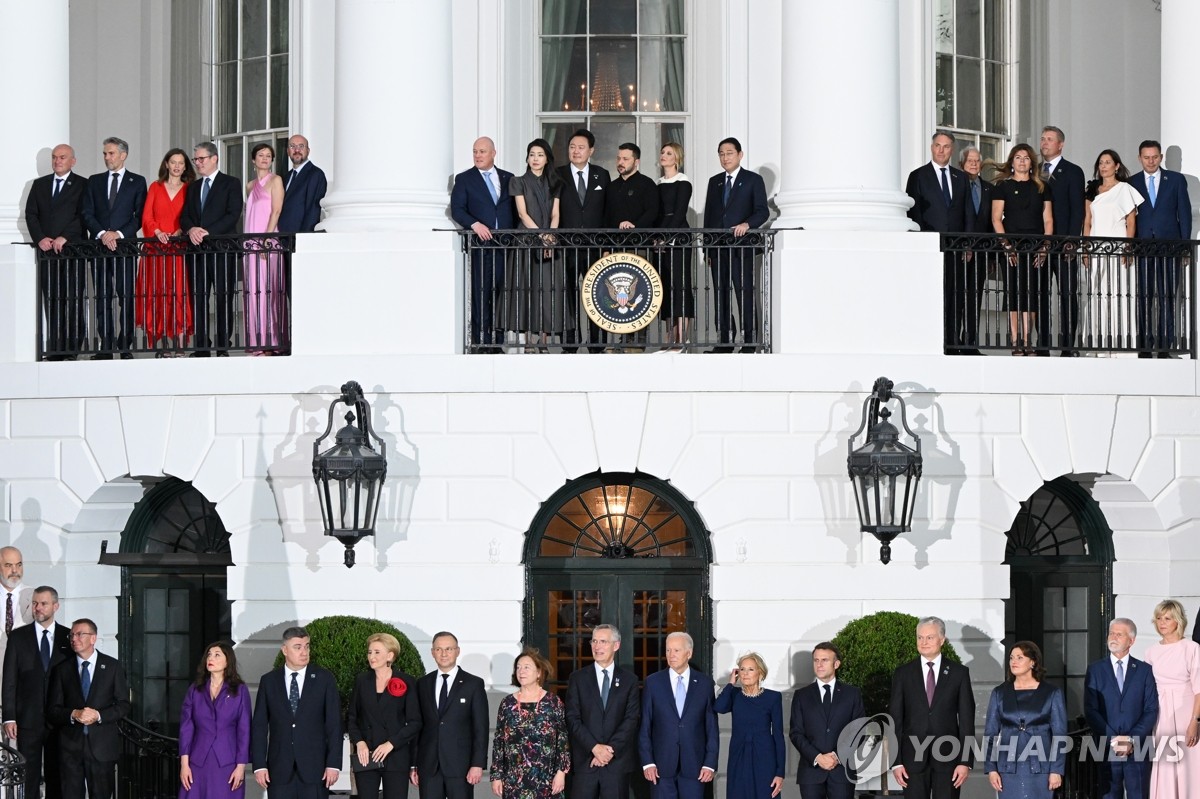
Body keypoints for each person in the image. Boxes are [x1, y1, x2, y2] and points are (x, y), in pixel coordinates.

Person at [888, 616, 975, 799]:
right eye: (920, 637)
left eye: (930, 637)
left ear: (942, 640)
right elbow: (895, 719)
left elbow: (967, 719)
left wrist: (965, 761)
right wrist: (896, 762)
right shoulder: (903, 674)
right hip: (912, 760)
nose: (924, 642)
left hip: (949, 758)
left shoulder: (959, 673)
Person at [251, 626, 342, 799]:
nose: (304, 652)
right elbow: (260, 726)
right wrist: (259, 765)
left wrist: (333, 764)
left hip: (316, 770)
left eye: (307, 646)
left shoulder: (324, 678)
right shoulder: (269, 681)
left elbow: (334, 724)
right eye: (297, 647)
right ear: (285, 650)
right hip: (279, 771)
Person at [46, 618, 131, 799]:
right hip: (70, 748)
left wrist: (99, 715)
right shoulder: (62, 670)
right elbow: (53, 710)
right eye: (72, 635)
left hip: (101, 749)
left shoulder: (112, 666)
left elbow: (123, 704)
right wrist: (73, 714)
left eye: (79, 634)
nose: (74, 639)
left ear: (93, 638)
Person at [2, 586, 71, 799]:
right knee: (28, 774)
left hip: (58, 721)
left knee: (57, 773)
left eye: (43, 603)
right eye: (34, 603)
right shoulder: (18, 637)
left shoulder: (68, 636)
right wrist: (9, 717)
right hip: (27, 719)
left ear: (55, 606)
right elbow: (9, 680)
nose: (38, 608)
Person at [81, 136, 147, 360]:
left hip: (124, 248)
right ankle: (106, 345)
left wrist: (117, 235)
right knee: (103, 297)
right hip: (100, 247)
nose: (107, 157)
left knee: (126, 296)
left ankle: (125, 344)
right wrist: (102, 234)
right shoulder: (94, 181)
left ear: (123, 155)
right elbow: (87, 213)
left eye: (110, 153)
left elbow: (139, 217)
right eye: (104, 153)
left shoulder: (137, 181)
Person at [905, 132, 970, 356]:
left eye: (945, 147)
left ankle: (953, 342)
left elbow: (967, 212)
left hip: (955, 247)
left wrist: (968, 243)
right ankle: (932, 340)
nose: (941, 150)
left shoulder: (960, 178)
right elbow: (915, 213)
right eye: (937, 146)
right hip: (930, 246)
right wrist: (921, 243)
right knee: (932, 294)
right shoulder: (918, 176)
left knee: (955, 295)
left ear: (952, 150)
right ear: (932, 148)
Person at [703, 137, 769, 353]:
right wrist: (707, 249)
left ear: (740, 155)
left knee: (744, 294)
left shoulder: (753, 180)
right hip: (718, 248)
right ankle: (724, 341)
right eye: (721, 153)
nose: (725, 157)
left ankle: (749, 343)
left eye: (729, 153)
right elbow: (709, 217)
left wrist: (746, 224)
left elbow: (762, 211)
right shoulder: (715, 182)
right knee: (720, 296)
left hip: (742, 248)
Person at [1127, 140, 1192, 358]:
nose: (1151, 161)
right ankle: (1145, 345)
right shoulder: (1132, 182)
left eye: (1155, 157)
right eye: (1146, 157)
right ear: (1139, 158)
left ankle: (1165, 346)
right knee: (1144, 296)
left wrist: (1184, 246)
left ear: (1161, 157)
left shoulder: (1175, 180)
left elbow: (1184, 214)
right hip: (1143, 247)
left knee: (1167, 296)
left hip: (1170, 246)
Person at [450, 137, 515, 353]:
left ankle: (497, 342)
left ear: (493, 153)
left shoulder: (508, 178)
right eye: (475, 151)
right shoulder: (465, 179)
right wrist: (474, 224)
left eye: (482, 151)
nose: (478, 155)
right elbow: (457, 209)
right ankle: (481, 341)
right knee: (481, 293)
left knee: (502, 294)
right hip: (481, 246)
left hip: (504, 246)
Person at [180, 142, 244, 357]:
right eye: (195, 159)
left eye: (201, 159)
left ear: (214, 158)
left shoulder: (231, 183)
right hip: (197, 251)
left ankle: (223, 345)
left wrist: (207, 231)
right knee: (199, 298)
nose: (197, 163)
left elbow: (233, 214)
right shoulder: (193, 187)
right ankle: (201, 345)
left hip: (222, 249)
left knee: (223, 297)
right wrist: (192, 230)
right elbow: (185, 216)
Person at [1084, 618, 1159, 799]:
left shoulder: (1144, 670)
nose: (1113, 637)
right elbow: (1091, 709)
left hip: (1139, 748)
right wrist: (1114, 740)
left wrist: (1131, 739)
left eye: (1119, 634)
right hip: (1106, 748)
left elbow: (1151, 709)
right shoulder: (1095, 670)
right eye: (1111, 633)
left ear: (1131, 641)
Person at [638, 631, 719, 799]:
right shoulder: (653, 682)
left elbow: (711, 727)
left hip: (695, 767)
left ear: (689, 653)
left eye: (676, 650)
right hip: (660, 767)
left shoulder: (704, 684)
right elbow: (645, 724)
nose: (671, 655)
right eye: (668, 650)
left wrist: (710, 763)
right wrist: (648, 762)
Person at [25, 144, 88, 360]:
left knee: (72, 300)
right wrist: (40, 238)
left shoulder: (83, 185)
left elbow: (83, 215)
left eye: (62, 157)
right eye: (54, 157)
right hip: (48, 253)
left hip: (72, 251)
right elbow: (31, 214)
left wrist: (66, 237)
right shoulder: (39, 185)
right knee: (52, 300)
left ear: (73, 161)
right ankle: (55, 349)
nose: (57, 161)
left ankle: (72, 349)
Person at [565, 624, 641, 799]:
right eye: (594, 641)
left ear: (616, 645)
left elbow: (631, 719)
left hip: (616, 763)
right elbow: (572, 718)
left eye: (603, 642)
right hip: (585, 761)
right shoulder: (577, 679)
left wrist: (608, 751)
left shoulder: (630, 680)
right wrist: (594, 747)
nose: (597, 646)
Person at [992, 143, 1053, 356]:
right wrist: (1006, 246)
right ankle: (1016, 341)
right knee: (1014, 293)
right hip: (1011, 247)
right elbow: (996, 218)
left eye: (1026, 158)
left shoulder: (1041, 187)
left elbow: (1048, 219)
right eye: (1018, 157)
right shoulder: (1003, 186)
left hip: (1035, 246)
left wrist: (1045, 247)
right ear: (1012, 161)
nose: (1022, 161)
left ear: (1031, 163)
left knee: (1031, 294)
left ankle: (1028, 340)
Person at [506, 139, 568, 351]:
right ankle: (529, 343)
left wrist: (550, 235)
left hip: (549, 239)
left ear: (547, 158)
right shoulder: (518, 181)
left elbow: (556, 213)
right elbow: (523, 214)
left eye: (540, 154)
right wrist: (542, 235)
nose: (535, 159)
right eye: (532, 154)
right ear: (527, 158)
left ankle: (544, 341)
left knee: (547, 289)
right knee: (528, 288)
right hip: (527, 240)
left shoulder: (555, 183)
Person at [982, 641, 1066, 798]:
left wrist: (1056, 770)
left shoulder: (1052, 693)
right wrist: (991, 768)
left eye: (1020, 657)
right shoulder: (999, 693)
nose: (1014, 661)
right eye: (1011, 657)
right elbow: (990, 733)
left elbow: (1060, 734)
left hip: (1041, 767)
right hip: (1008, 768)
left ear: (1032, 662)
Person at [412, 631, 490, 799]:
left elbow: (480, 728)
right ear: (432, 653)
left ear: (457, 651)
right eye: (438, 649)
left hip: (460, 766)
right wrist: (414, 764)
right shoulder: (423, 684)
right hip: (428, 765)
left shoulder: (473, 684)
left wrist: (477, 764)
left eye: (448, 649)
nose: (444, 654)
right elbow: (417, 727)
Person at [555, 129, 611, 353]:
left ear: (591, 151)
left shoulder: (602, 174)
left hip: (595, 246)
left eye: (580, 147)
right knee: (568, 293)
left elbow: (608, 212)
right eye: (572, 147)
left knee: (597, 293)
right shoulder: (557, 174)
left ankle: (598, 343)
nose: (575, 151)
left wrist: (607, 246)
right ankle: (570, 343)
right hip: (566, 245)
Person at [1082, 149, 1142, 353]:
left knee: (1119, 292)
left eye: (1108, 162)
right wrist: (1086, 249)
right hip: (1097, 247)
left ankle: (1121, 344)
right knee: (1096, 293)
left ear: (1116, 166)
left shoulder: (1125, 189)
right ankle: (1097, 343)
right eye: (1101, 162)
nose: (1104, 166)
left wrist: (1127, 247)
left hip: (1118, 248)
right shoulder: (1092, 190)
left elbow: (1131, 221)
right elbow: (1087, 222)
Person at [136, 148, 195, 357]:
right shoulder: (155, 186)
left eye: (181, 163)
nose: (177, 166)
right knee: (158, 293)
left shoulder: (190, 189)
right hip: (156, 249)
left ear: (185, 166)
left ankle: (180, 345)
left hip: (178, 248)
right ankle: (163, 346)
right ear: (167, 164)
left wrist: (180, 231)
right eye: (173, 162)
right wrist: (158, 232)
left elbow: (190, 216)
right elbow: (146, 216)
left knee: (178, 293)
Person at [489, 648, 570, 799]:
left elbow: (562, 740)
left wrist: (561, 773)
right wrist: (496, 776)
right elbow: (499, 741)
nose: (521, 671)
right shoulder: (507, 703)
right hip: (514, 780)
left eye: (527, 667)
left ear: (539, 672)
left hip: (546, 778)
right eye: (518, 667)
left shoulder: (553, 702)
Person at [348, 633, 421, 799]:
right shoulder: (361, 681)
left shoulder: (407, 681)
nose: (371, 657)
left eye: (377, 652)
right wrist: (359, 742)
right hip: (367, 755)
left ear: (390, 655)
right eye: (369, 652)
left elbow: (415, 722)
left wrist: (391, 743)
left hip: (396, 755)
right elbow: (352, 717)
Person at [789, 643, 865, 799]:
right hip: (811, 772)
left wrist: (837, 756)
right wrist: (817, 757)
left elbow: (858, 730)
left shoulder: (852, 694)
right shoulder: (801, 696)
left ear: (836, 664)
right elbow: (796, 733)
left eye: (824, 660)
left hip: (842, 772)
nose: (819, 664)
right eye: (816, 660)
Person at [604, 142, 660, 351]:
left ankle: (638, 339)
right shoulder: (612, 187)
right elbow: (606, 216)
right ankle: (623, 338)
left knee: (640, 293)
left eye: (625, 159)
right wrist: (607, 246)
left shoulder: (647, 184)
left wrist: (634, 226)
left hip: (640, 247)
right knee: (620, 294)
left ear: (636, 161)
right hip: (617, 249)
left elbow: (652, 212)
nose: (620, 162)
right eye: (619, 158)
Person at [178, 641, 251, 799]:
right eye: (209, 655)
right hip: (198, 761)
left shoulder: (240, 690)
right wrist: (184, 764)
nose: (211, 658)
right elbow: (186, 728)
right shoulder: (195, 689)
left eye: (217, 655)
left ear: (227, 661)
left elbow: (244, 729)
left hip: (227, 762)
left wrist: (240, 766)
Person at [1037, 126, 1086, 356]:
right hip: (1039, 244)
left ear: (1061, 144)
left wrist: (1073, 241)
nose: (1044, 142)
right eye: (1043, 138)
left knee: (1067, 293)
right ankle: (1043, 344)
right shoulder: (1034, 170)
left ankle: (1068, 345)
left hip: (1064, 243)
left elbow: (1078, 210)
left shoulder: (1073, 171)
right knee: (1041, 295)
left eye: (1049, 139)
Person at [1143, 599, 1200, 797]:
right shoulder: (1150, 652)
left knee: (1190, 764)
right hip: (1162, 712)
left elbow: (1199, 688)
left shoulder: (1191, 648)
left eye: (1167, 618)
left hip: (1186, 711)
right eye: (1159, 618)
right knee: (1166, 762)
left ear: (1178, 620)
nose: (1162, 622)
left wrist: (1195, 721)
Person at [714, 652, 785, 799]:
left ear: (760, 672)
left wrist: (780, 772)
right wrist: (730, 684)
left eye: (750, 669)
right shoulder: (734, 695)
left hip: (765, 758)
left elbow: (778, 736)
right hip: (739, 757)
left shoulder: (773, 697)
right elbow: (719, 708)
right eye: (742, 669)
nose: (745, 673)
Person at [243, 142, 287, 355]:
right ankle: (257, 341)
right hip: (250, 245)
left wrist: (266, 240)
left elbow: (276, 211)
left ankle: (272, 341)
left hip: (267, 243)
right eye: (261, 155)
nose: (265, 158)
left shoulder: (276, 180)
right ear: (253, 160)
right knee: (252, 292)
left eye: (268, 155)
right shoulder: (250, 185)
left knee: (268, 290)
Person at [656, 143, 694, 350]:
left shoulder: (683, 182)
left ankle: (682, 336)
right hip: (660, 238)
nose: (664, 155)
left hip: (678, 237)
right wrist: (657, 237)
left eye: (669, 153)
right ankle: (670, 336)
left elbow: (679, 213)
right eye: (662, 152)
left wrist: (666, 237)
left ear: (677, 158)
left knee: (680, 284)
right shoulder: (658, 183)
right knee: (665, 285)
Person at [956, 147, 994, 354]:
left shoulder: (988, 188)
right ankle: (954, 341)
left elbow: (991, 222)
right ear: (962, 164)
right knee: (957, 296)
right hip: (959, 251)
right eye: (969, 160)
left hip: (981, 252)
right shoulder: (956, 185)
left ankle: (970, 342)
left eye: (977, 161)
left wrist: (991, 256)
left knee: (974, 297)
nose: (973, 164)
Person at [0, 546, 34, 699]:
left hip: (25, 688)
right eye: (8, 565)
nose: (15, 570)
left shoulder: (35, 596)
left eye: (19, 565)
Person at [278, 135, 327, 234]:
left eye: (301, 146)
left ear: (308, 151)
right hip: (282, 238)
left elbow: (313, 211)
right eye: (292, 146)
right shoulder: (285, 177)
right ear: (288, 151)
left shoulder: (315, 174)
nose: (297, 150)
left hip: (299, 238)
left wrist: (304, 239)